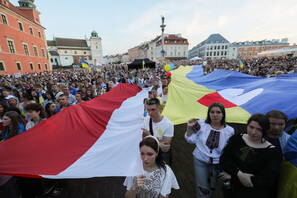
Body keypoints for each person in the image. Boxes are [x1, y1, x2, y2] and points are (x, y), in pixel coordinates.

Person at [220, 114, 282, 198]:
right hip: (231, 190)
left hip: (253, 193)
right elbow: (224, 160)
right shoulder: (238, 138)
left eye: (259, 129)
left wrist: (233, 176)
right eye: (251, 127)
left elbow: (267, 180)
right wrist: (239, 174)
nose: (253, 132)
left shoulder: (272, 152)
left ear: (265, 130)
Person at [185, 102, 234, 198]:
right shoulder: (201, 124)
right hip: (200, 160)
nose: (215, 115)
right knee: (203, 188)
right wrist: (189, 128)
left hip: (217, 163)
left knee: (212, 186)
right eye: (212, 112)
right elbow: (190, 140)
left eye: (218, 112)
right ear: (208, 113)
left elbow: (229, 150)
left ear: (223, 114)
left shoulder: (230, 131)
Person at [142, 98, 174, 165]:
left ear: (159, 108)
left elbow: (165, 148)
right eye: (148, 110)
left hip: (161, 157)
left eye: (153, 109)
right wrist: (159, 142)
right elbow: (143, 140)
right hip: (149, 155)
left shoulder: (168, 124)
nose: (150, 113)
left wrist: (149, 135)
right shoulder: (146, 119)